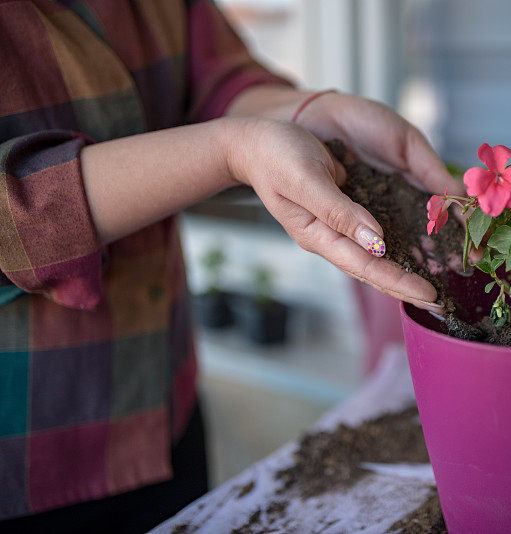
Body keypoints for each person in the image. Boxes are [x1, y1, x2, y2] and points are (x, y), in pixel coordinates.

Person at [0, 1, 461, 531]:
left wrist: (312, 112)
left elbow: (217, 81)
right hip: (31, 460)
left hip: (164, 405)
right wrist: (230, 151)